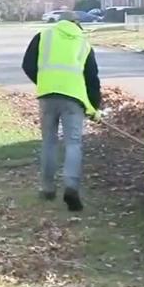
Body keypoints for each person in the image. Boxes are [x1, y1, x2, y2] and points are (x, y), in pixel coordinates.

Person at [22, 11, 102, 211]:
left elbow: (27, 65)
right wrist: (94, 107)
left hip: (48, 97)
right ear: (77, 24)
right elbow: (92, 79)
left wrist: (44, 82)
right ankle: (71, 187)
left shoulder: (43, 36)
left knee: (49, 142)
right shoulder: (83, 43)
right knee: (73, 143)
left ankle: (48, 188)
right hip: (74, 100)